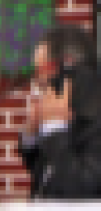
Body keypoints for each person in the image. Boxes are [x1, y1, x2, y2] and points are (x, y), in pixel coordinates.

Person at [19, 23, 101, 199]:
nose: (37, 83)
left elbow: (78, 190)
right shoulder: (70, 111)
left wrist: (54, 128)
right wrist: (31, 137)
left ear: (67, 69)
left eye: (39, 71)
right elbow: (46, 172)